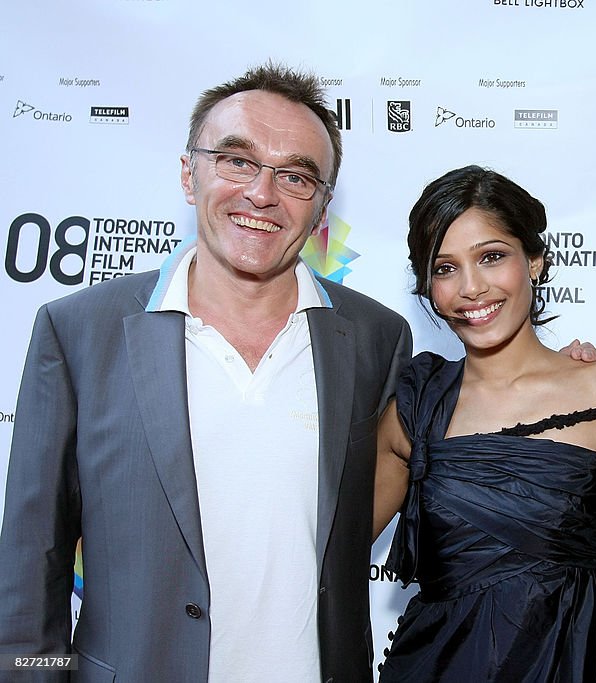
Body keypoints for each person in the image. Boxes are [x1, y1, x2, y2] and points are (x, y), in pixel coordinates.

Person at [0, 63, 410, 681]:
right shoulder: (80, 330)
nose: (262, 194)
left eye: (296, 177)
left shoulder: (376, 337)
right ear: (189, 175)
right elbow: (34, 561)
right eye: (237, 161)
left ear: (322, 206)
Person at [372, 165, 596, 682]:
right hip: (432, 665)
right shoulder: (413, 409)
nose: (471, 288)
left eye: (491, 257)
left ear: (535, 261)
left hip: (562, 663)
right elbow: (327, 550)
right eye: (445, 268)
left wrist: (580, 541)